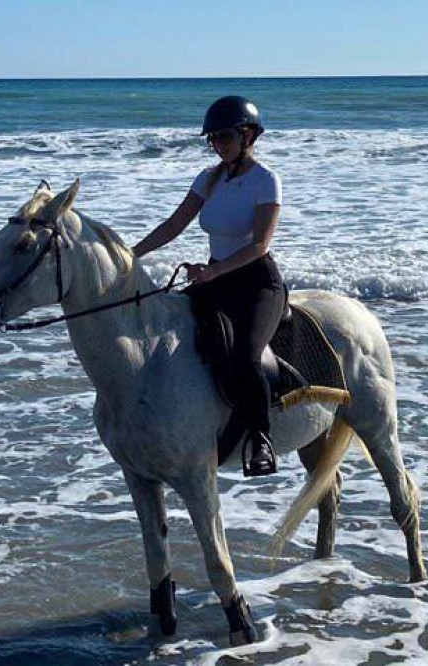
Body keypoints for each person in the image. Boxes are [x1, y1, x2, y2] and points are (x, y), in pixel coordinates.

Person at [133, 95, 285, 477]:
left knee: (247, 355)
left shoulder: (265, 181)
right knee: (166, 328)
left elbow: (259, 245)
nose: (218, 145)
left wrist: (214, 273)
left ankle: (259, 439)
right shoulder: (209, 178)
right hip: (216, 277)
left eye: (225, 138)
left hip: (256, 283)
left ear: (248, 135)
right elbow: (173, 226)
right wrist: (129, 254)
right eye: (213, 139)